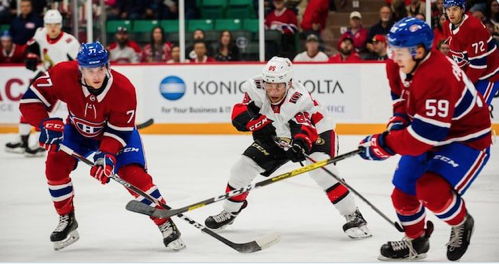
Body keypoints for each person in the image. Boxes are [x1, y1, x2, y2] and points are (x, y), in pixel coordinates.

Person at [18, 42, 185, 252]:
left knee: (132, 175)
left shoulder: (123, 89)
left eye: (100, 69)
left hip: (116, 135)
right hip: (78, 131)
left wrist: (107, 155)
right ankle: (67, 218)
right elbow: (30, 101)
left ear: (108, 66)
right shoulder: (62, 73)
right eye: (89, 70)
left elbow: (118, 132)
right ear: (80, 68)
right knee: (55, 164)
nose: (96, 76)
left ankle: (165, 221)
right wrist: (44, 124)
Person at [359, 17, 492, 261]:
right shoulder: (397, 65)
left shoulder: (437, 76)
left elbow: (424, 137)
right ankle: (416, 241)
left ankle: (461, 221)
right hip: (429, 131)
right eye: (392, 49)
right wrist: (396, 125)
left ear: (419, 51)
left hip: (466, 138)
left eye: (399, 51)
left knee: (430, 189)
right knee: (402, 193)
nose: (393, 56)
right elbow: (400, 101)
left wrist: (384, 144)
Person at [204, 56, 372, 240]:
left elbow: (304, 127)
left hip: (317, 132)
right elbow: (239, 114)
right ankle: (230, 211)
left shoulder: (299, 99)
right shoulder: (255, 87)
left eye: (279, 86)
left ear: (289, 83)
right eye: (270, 85)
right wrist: (258, 124)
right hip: (280, 133)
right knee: (242, 167)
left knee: (323, 170)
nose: (273, 91)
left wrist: (299, 145)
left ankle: (354, 216)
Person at [5, 9, 80, 156]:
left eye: (56, 24)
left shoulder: (70, 42)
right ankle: (23, 140)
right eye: (50, 24)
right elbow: (30, 48)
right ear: (45, 24)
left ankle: (41, 141)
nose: (53, 28)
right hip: (43, 77)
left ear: (61, 24)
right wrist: (30, 56)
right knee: (28, 104)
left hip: (59, 82)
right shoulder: (40, 33)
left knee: (42, 111)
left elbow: (79, 65)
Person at [444, 0, 499, 106]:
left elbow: (479, 66)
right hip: (473, 74)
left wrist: (463, 85)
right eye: (448, 9)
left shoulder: (473, 28)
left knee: (477, 109)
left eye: (454, 9)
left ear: (462, 9)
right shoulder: (451, 24)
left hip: (489, 76)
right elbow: (456, 53)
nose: (451, 13)